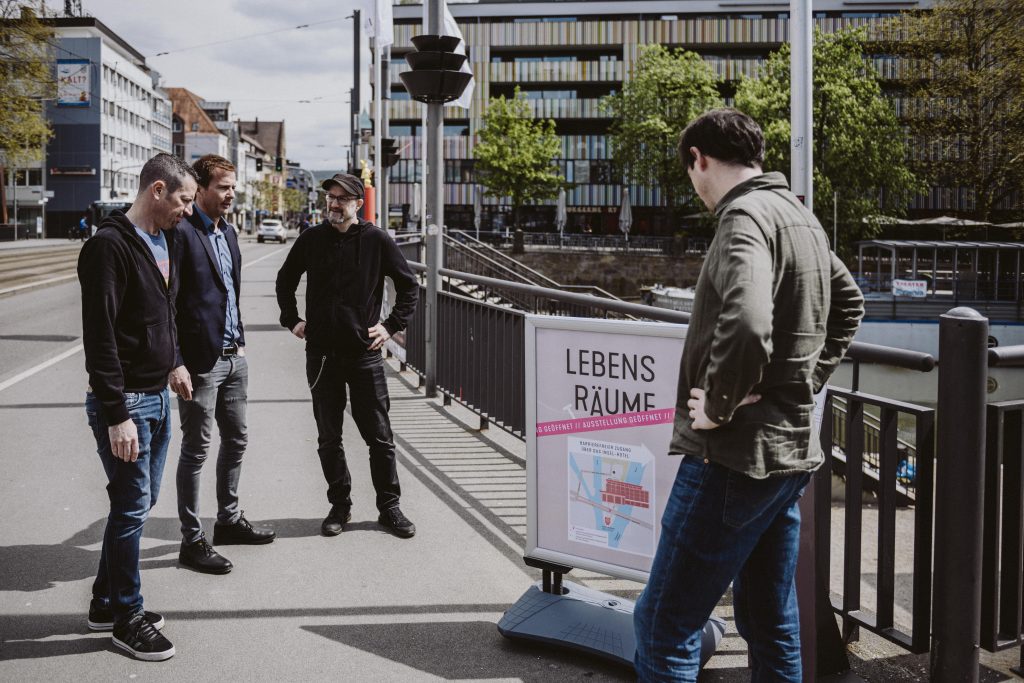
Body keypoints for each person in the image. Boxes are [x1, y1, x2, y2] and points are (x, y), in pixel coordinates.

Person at [633, 109, 864, 682]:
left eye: (690, 171)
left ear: (699, 159)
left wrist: (718, 406)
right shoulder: (798, 215)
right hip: (788, 452)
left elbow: (748, 322)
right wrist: (805, 380)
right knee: (768, 620)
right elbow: (849, 303)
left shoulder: (742, 217)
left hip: (733, 457)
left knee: (664, 623)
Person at [78, 153, 198, 661]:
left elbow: (163, 313)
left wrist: (175, 361)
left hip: (157, 393)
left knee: (139, 504)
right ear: (157, 190)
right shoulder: (108, 247)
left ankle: (106, 602)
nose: (188, 210)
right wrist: (116, 415)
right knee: (131, 506)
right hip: (126, 401)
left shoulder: (165, 239)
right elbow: (100, 336)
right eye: (184, 200)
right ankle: (128, 616)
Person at [275, 172, 418, 539]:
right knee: (329, 437)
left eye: (342, 198)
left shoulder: (376, 240)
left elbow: (408, 286)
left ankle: (389, 507)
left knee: (379, 437)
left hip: (364, 355)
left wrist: (389, 326)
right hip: (322, 356)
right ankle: (340, 505)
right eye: (331, 197)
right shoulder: (312, 239)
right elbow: (285, 280)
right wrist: (292, 319)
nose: (334, 204)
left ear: (358, 203)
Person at [169, 154, 275, 576]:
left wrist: (241, 342)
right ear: (200, 188)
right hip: (200, 363)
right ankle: (192, 540)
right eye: (224, 187)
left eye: (233, 187)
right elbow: (169, 303)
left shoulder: (228, 232)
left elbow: (230, 294)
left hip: (234, 356)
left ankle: (228, 521)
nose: (232, 194)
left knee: (237, 440)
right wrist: (176, 361)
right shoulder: (181, 232)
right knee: (196, 449)